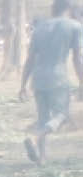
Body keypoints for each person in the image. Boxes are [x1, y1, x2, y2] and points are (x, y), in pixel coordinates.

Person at [20, 0, 83, 165]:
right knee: (62, 115)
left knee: (43, 118)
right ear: (68, 9)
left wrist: (22, 86)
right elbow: (77, 59)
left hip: (38, 79)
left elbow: (30, 59)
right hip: (58, 78)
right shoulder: (74, 27)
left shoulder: (39, 29)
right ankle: (35, 138)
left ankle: (42, 158)